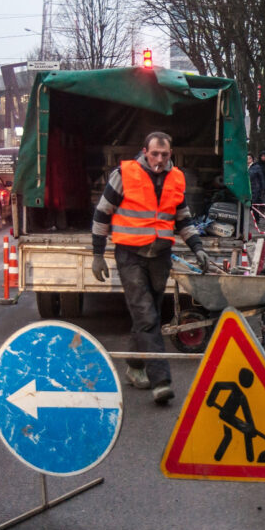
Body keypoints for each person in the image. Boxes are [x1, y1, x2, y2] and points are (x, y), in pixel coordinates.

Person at [90, 131, 209, 405]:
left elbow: (183, 219)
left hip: (160, 256)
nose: (159, 159)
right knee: (146, 315)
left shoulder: (176, 178)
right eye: (154, 154)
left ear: (170, 154)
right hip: (130, 255)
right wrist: (98, 255)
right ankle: (161, 381)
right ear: (145, 151)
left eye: (164, 155)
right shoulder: (124, 174)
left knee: (149, 314)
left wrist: (198, 248)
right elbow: (102, 213)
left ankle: (134, 365)